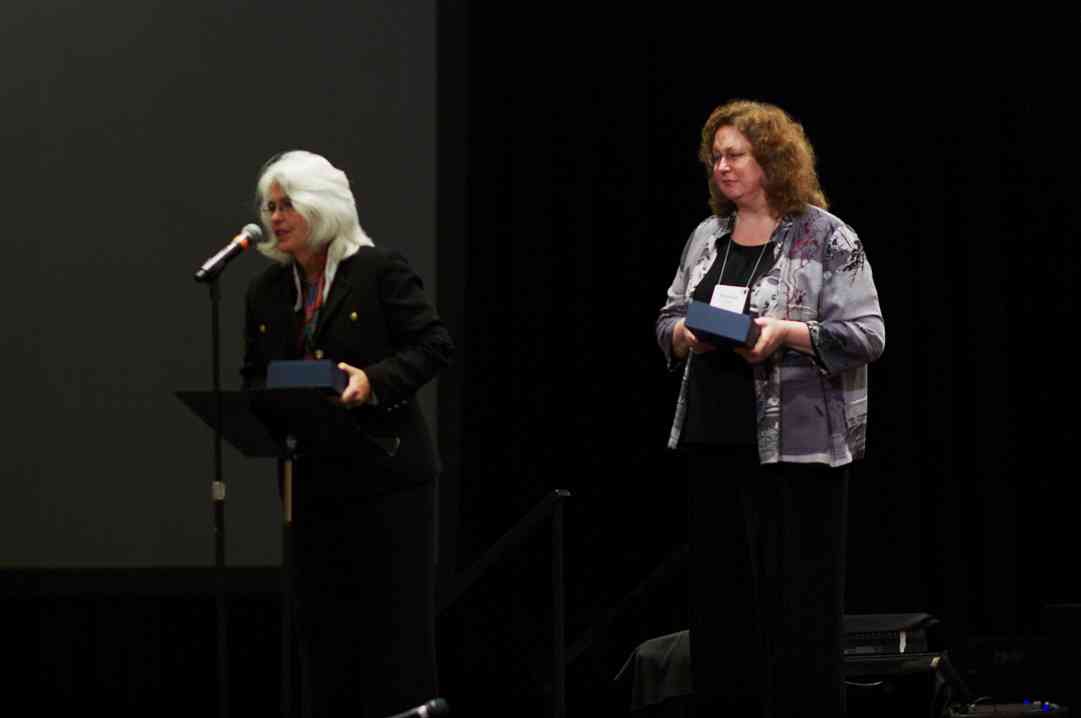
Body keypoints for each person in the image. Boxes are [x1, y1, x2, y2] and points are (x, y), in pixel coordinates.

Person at [656, 100, 885, 716]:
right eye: (716, 156)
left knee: (798, 612)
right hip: (713, 440)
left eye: (736, 155)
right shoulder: (707, 235)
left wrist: (786, 333)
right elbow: (668, 317)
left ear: (772, 161)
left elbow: (868, 336)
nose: (722, 167)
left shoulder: (827, 236)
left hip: (797, 454)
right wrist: (685, 335)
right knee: (722, 612)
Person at [241, 150, 453, 717]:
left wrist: (373, 380)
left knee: (391, 631)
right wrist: (265, 410)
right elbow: (252, 376)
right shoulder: (264, 291)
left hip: (388, 478)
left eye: (289, 205)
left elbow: (434, 345)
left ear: (323, 206)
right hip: (311, 480)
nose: (276, 216)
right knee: (323, 632)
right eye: (271, 205)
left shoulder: (378, 270)